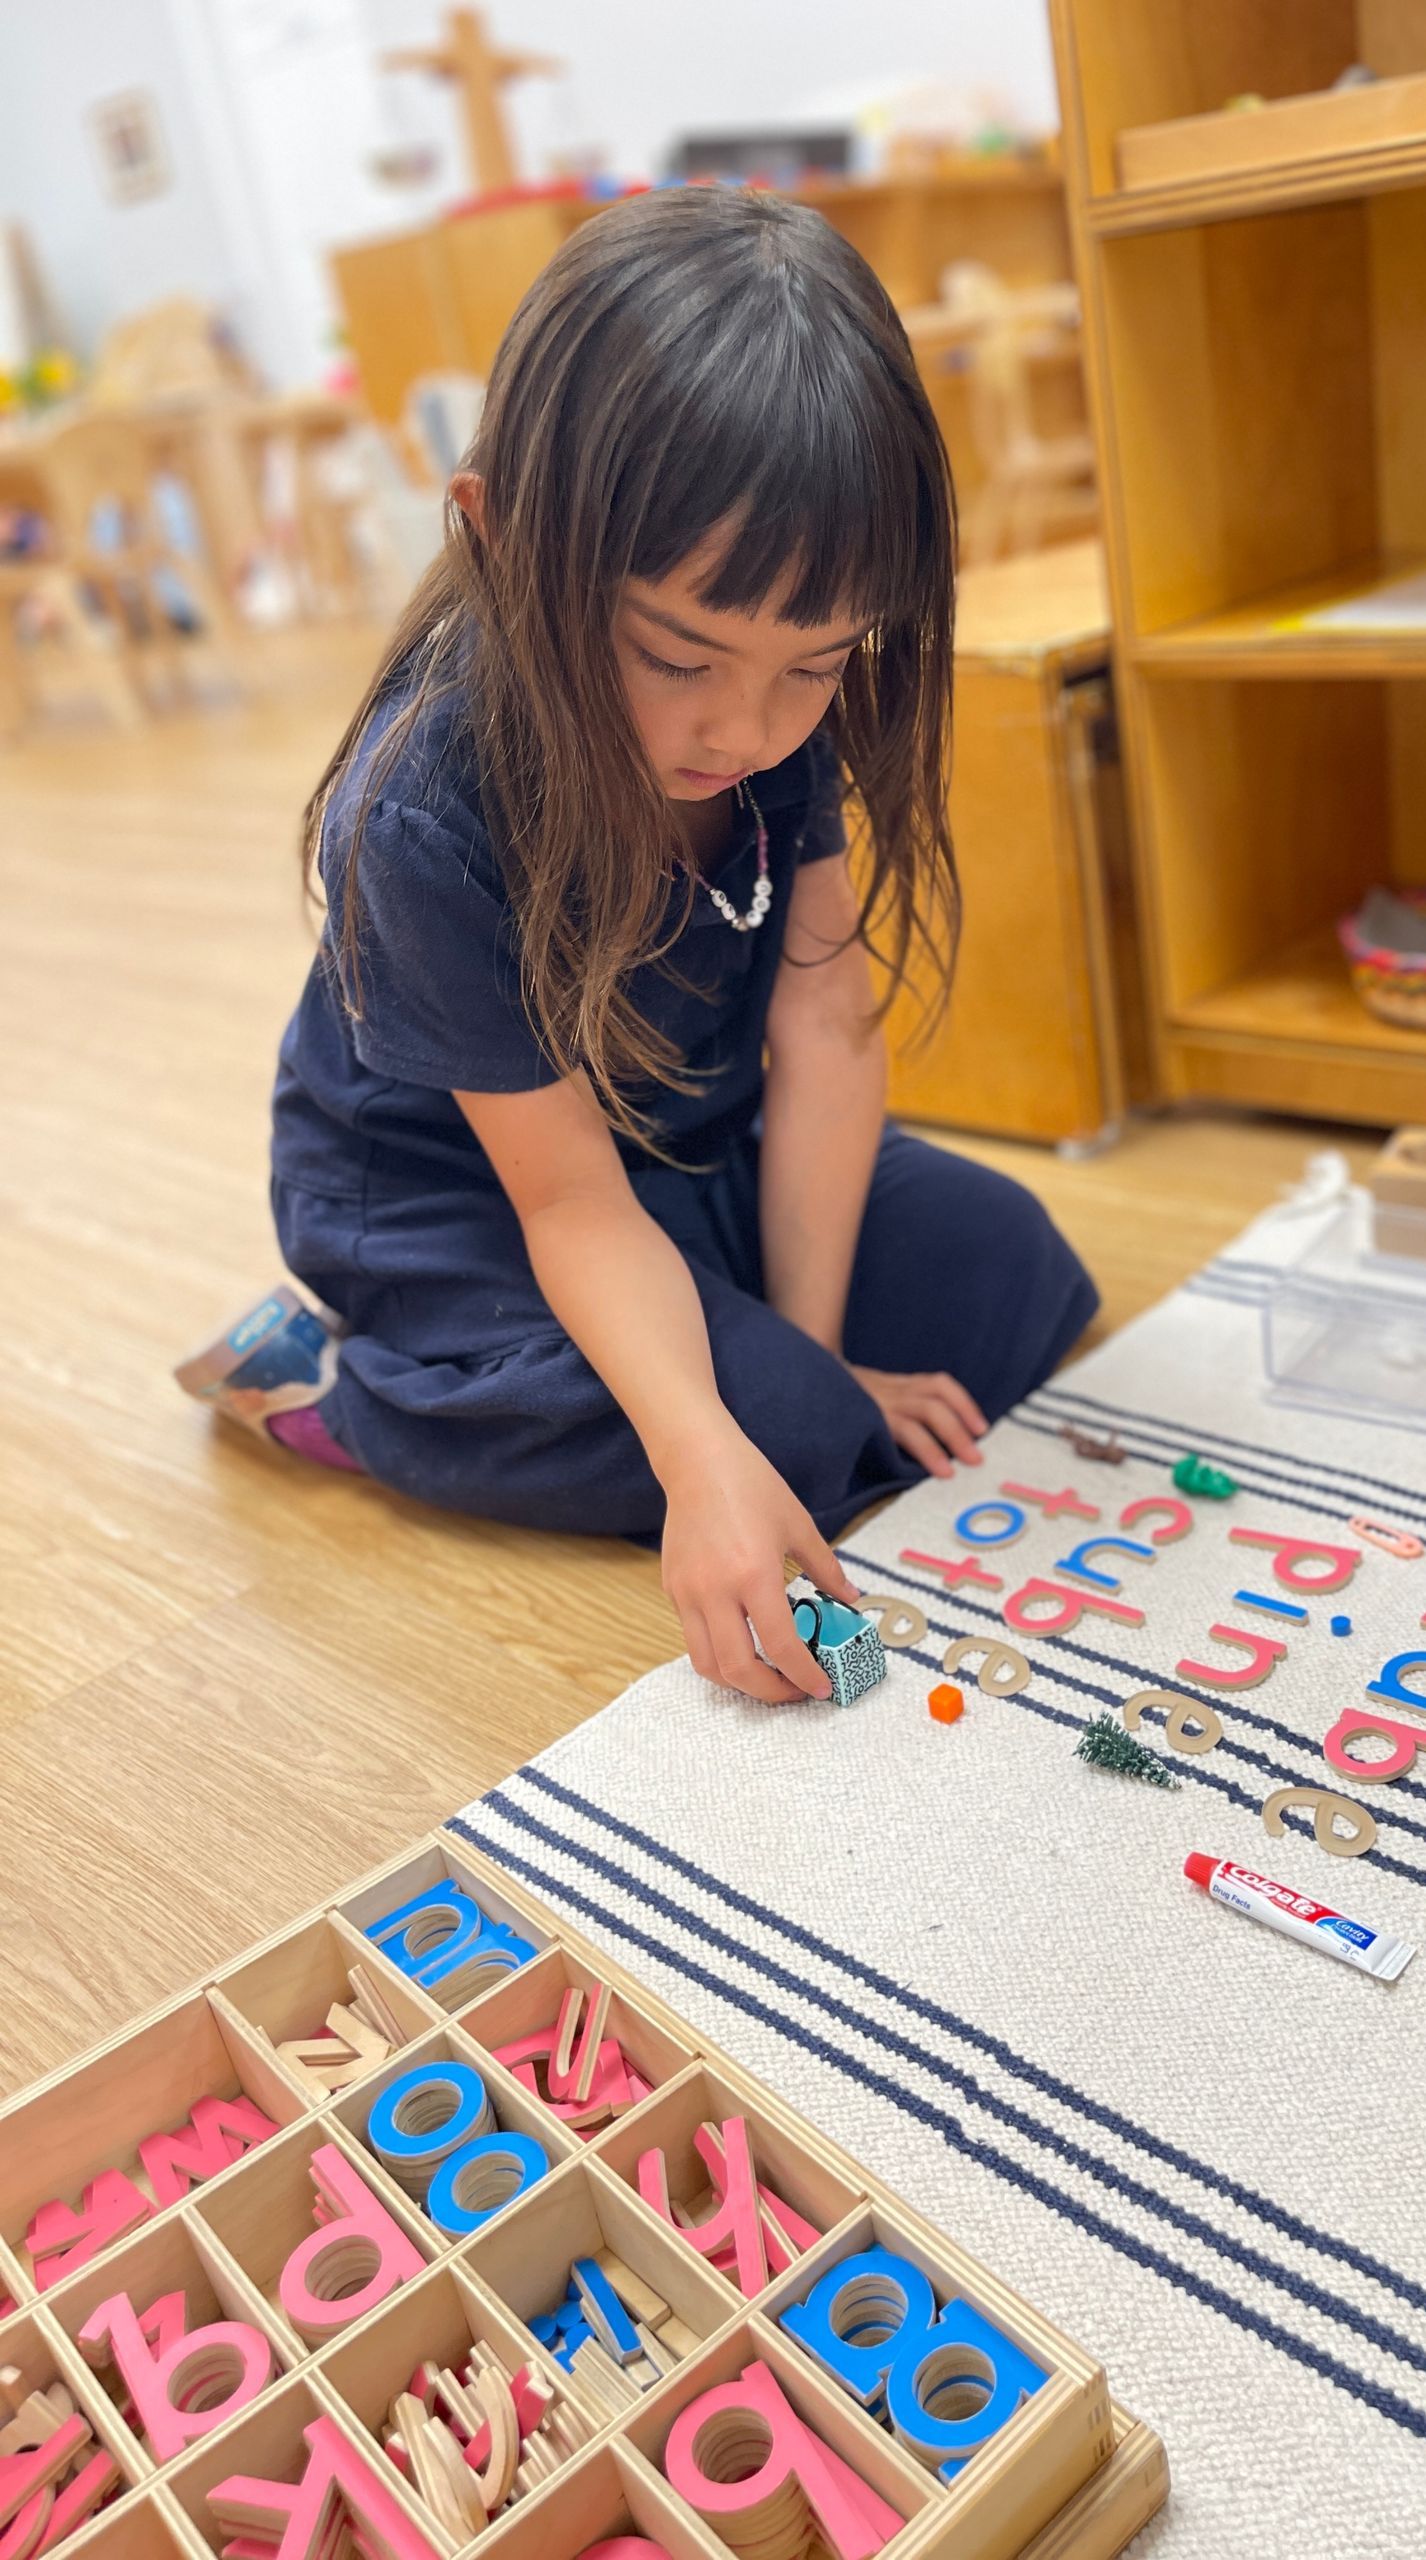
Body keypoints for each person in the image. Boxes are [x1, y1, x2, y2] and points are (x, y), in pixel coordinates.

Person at [179, 189, 1097, 1705]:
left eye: (816, 664)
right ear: (499, 537)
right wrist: (735, 1433)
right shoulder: (419, 810)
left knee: (1017, 1280)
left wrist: (816, 1349)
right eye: (677, 655)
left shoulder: (768, 717)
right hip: (462, 1211)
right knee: (785, 1443)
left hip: (677, 1147)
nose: (743, 728)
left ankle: (763, 1376)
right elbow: (567, 1207)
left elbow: (826, 1035)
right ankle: (342, 1390)